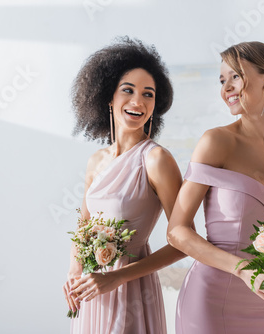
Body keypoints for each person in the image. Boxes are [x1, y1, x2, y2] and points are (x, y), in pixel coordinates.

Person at [167, 41, 264, 334]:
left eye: (235, 76)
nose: (226, 88)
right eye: (222, 80)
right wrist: (245, 271)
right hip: (210, 301)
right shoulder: (216, 142)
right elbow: (177, 231)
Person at [63, 37, 186, 334]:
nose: (138, 102)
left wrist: (116, 278)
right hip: (91, 290)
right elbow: (84, 227)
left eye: (148, 94)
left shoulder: (157, 159)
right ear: (109, 97)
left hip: (133, 291)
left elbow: (183, 242)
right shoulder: (96, 161)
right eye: (127, 90)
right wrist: (74, 272)